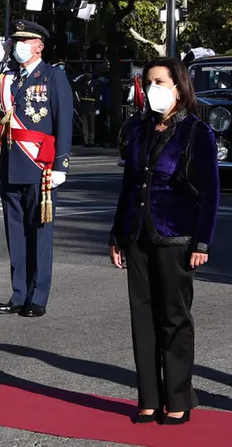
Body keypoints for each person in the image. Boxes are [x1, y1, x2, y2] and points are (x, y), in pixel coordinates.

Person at [110, 57, 219, 425]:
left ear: (178, 87)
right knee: (142, 317)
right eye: (148, 83)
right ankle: (149, 397)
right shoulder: (138, 129)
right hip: (138, 234)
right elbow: (128, 186)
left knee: (174, 318)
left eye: (160, 82)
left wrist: (202, 243)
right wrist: (117, 234)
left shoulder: (196, 132)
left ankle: (177, 398)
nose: (152, 90)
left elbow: (210, 193)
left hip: (176, 236)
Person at [0, 20, 73, 319]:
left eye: (25, 40)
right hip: (11, 165)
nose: (19, 45)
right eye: (15, 41)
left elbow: (63, 121)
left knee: (39, 234)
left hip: (39, 165)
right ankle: (18, 293)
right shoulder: (6, 77)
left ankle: (37, 296)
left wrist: (61, 165)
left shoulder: (53, 77)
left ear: (39, 45)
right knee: (16, 235)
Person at [74, 64, 99, 147]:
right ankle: (86, 140)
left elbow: (97, 96)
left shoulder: (95, 84)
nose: (88, 77)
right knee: (85, 124)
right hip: (84, 105)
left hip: (92, 105)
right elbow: (75, 86)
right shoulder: (82, 83)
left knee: (92, 124)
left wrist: (97, 108)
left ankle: (91, 140)